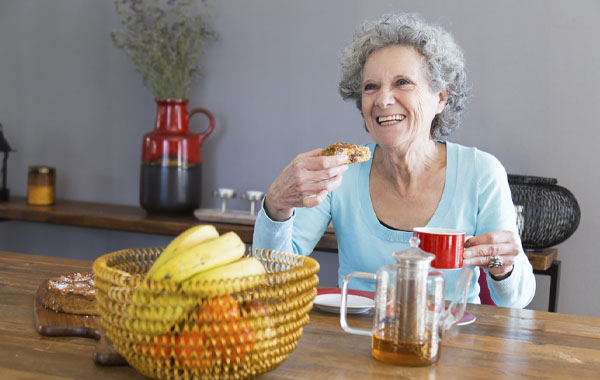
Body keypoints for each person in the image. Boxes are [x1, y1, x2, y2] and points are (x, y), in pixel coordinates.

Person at [252, 13, 535, 308]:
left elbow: (516, 300)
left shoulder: (481, 173)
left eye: (402, 82)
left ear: (440, 97)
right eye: (370, 87)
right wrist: (276, 205)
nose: (383, 100)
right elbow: (270, 280)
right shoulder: (341, 171)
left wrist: (505, 267)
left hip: (452, 340)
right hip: (356, 338)